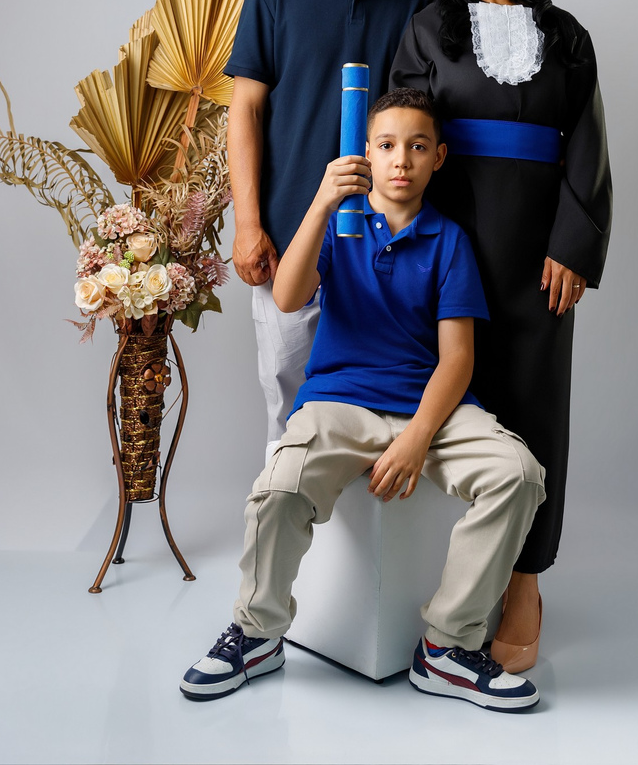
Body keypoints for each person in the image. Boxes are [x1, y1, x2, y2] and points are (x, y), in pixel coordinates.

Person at [181, 90, 545, 711]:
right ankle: (257, 634)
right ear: (366, 153)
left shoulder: (450, 240)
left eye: (418, 146)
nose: (401, 159)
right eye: (387, 145)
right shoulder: (338, 224)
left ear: (438, 157)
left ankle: (447, 647)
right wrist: (323, 202)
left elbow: (457, 358)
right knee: (280, 486)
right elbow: (288, 297)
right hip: (340, 399)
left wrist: (417, 436)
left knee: (519, 474)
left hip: (431, 409)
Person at [391, 0, 612, 672]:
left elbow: (588, 143)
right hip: (449, 241)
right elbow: (403, 133)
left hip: (537, 253)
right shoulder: (427, 29)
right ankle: (444, 576)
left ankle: (525, 580)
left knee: (535, 406)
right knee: (447, 400)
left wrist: (573, 245)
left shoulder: (568, 37)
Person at [225, 0, 439, 458]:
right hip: (291, 235)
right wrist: (247, 224)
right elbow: (246, 109)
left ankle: (362, 528)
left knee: (382, 412)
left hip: (389, 245)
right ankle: (284, 519)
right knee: (288, 406)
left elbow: (441, 119)